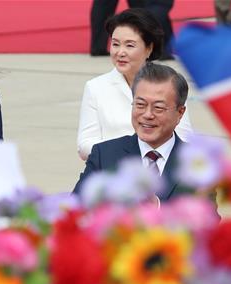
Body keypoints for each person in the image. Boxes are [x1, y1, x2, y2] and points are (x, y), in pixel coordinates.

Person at [77, 9, 192, 161]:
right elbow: (84, 145)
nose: (120, 52)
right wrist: (130, 153)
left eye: (129, 45)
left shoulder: (168, 83)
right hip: (112, 172)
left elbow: (185, 138)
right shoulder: (96, 87)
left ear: (149, 48)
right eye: (115, 44)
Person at [74, 63, 194, 202]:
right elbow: (75, 209)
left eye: (158, 108)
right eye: (140, 105)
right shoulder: (104, 155)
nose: (148, 114)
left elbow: (207, 219)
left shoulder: (196, 164)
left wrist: (156, 208)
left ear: (180, 113)